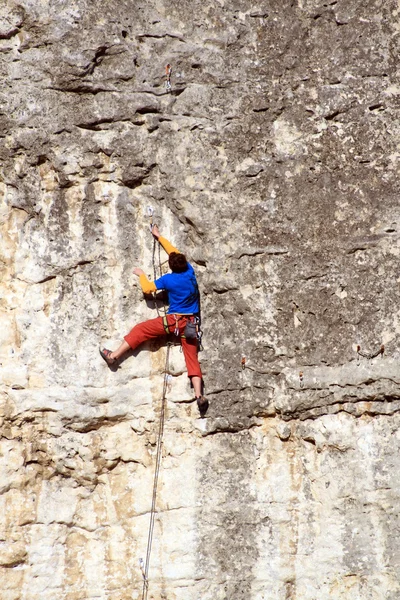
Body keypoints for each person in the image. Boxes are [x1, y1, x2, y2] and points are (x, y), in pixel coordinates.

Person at [100, 225, 208, 416]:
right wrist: (159, 237)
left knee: (141, 329)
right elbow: (173, 251)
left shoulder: (169, 280)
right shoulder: (190, 271)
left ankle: (114, 356)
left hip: (173, 321)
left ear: (171, 267)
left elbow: (148, 289)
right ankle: (199, 395)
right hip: (191, 324)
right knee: (192, 358)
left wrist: (142, 275)